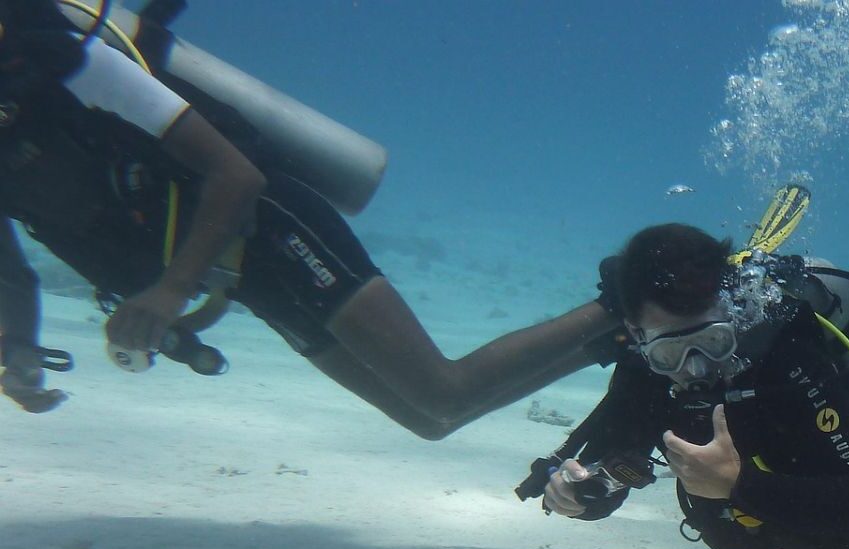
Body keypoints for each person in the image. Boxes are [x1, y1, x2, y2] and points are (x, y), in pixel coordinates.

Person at [0, 0, 609, 436]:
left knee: (442, 391)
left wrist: (169, 293)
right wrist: (20, 354)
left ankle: (628, 298)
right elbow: (12, 275)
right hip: (238, 273)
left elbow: (237, 174)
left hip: (271, 224)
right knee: (431, 422)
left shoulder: (71, 66)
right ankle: (615, 337)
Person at [519, 222, 849, 549]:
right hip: (777, 536)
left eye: (713, 343)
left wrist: (740, 485)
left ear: (732, 317)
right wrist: (580, 494)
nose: (694, 370)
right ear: (638, 338)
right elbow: (612, 470)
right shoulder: (645, 375)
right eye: (670, 354)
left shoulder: (786, 358)